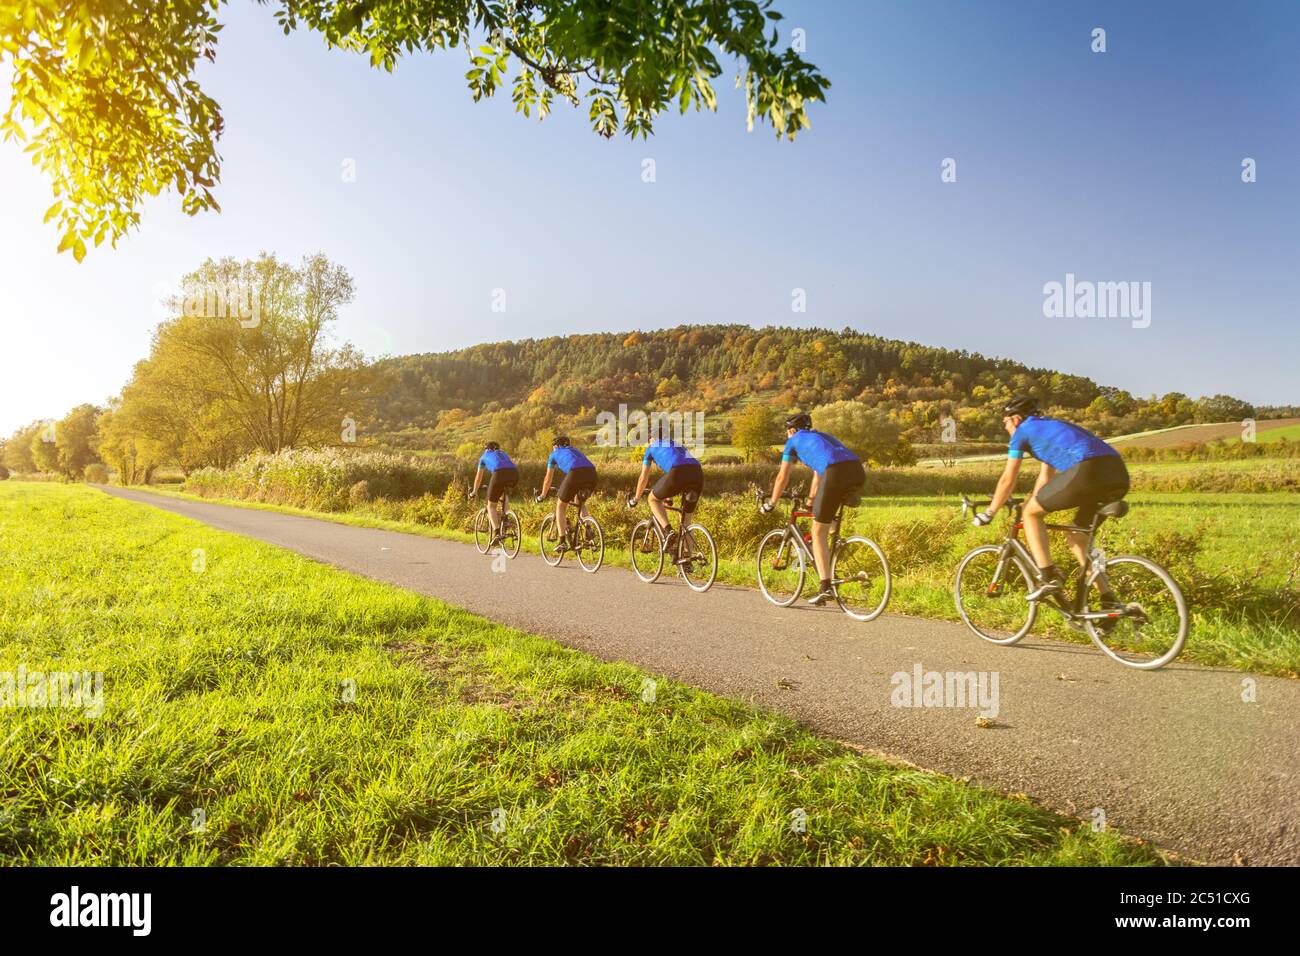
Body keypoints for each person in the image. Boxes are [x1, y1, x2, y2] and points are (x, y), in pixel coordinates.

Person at [972, 396, 1130, 604]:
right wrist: (1031, 502)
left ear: (1016, 419)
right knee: (1077, 538)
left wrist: (989, 512)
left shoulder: (1021, 433)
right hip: (1117, 473)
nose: (1005, 426)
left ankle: (1047, 577)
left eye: (1005, 421)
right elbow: (1046, 478)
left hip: (1089, 470)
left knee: (1031, 514)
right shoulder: (1051, 427)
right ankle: (1108, 601)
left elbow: (1008, 479)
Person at [763, 411, 867, 605]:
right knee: (828, 523)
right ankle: (837, 554)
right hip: (856, 471)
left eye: (787, 432)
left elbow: (782, 478)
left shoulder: (792, 442)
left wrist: (771, 503)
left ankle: (825, 587)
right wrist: (810, 501)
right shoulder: (822, 436)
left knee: (817, 532)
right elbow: (819, 476)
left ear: (791, 430)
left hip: (834, 473)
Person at [627, 437, 703, 562]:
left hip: (677, 473)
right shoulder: (676, 444)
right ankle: (687, 560)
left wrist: (635, 499)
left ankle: (669, 531)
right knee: (686, 522)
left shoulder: (651, 448)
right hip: (697, 474)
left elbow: (643, 478)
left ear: (652, 438)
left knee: (652, 499)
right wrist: (668, 498)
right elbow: (674, 472)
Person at [536, 436, 598, 552]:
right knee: (580, 501)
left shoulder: (554, 454)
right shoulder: (575, 450)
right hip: (592, 474)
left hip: (575, 473)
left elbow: (547, 479)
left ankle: (562, 541)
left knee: (560, 505)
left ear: (556, 446)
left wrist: (542, 496)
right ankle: (588, 531)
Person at [468, 441, 518, 547]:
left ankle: (496, 533)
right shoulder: (503, 453)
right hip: (514, 473)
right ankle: (505, 518)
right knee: (503, 494)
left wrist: (474, 492)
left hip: (499, 474)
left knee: (490, 505)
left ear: (487, 449)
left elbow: (478, 477)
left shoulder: (484, 456)